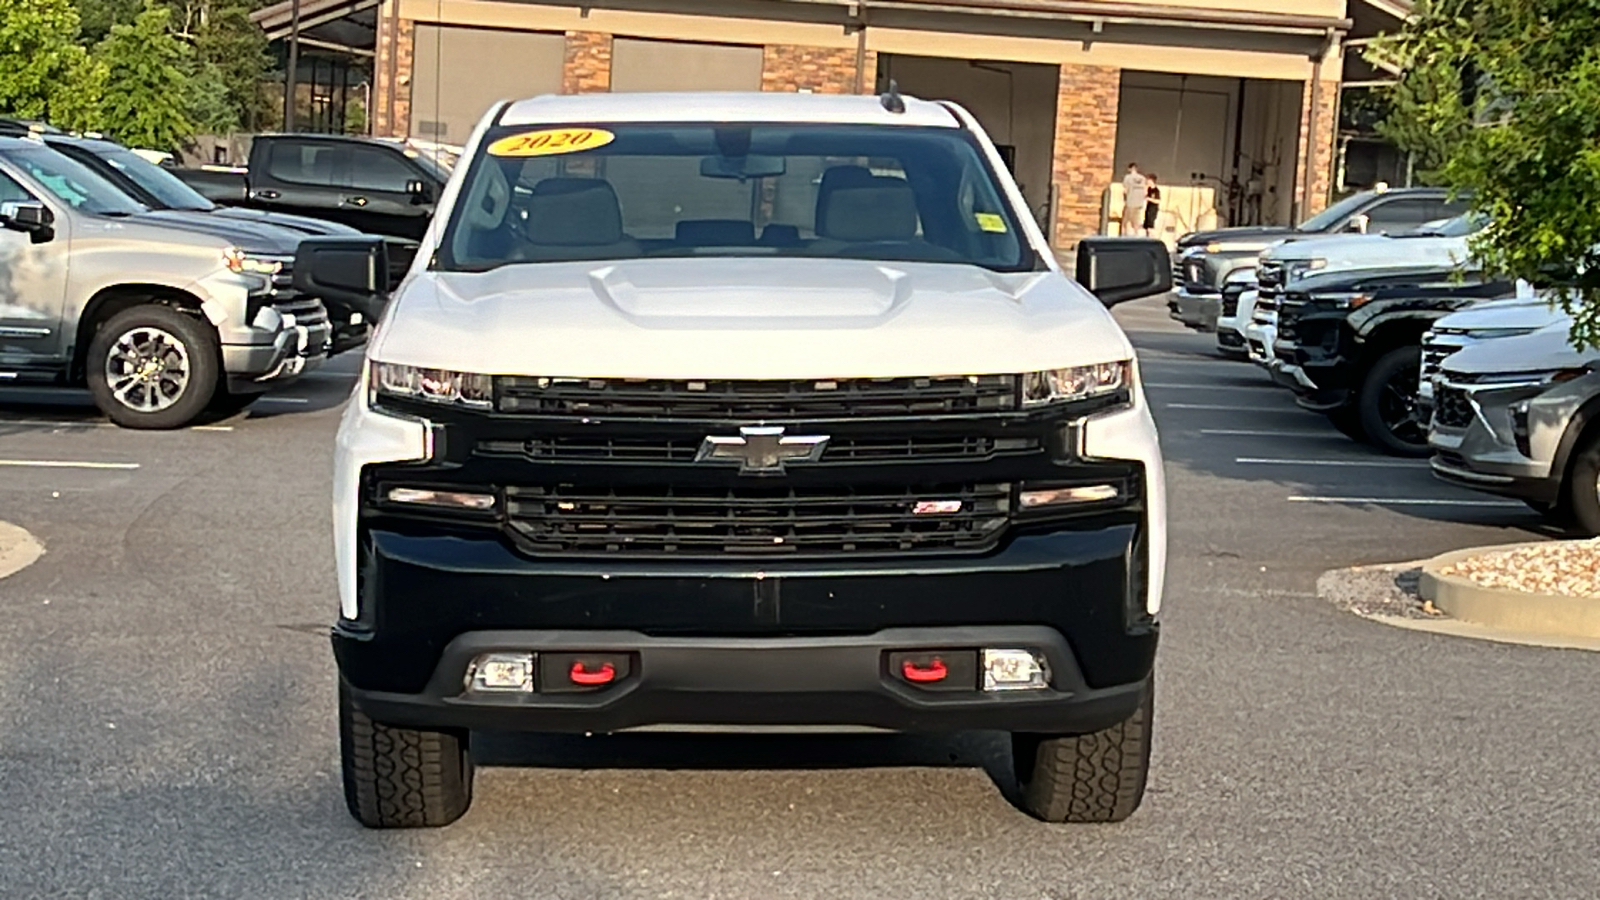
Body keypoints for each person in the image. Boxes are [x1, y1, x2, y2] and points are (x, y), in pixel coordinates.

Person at [1121, 163, 1148, 236]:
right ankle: (1136, 237)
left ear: (1130, 169)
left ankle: (1122, 237)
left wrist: (1124, 199)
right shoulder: (1143, 178)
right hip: (1139, 204)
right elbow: (1145, 191)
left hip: (1130, 203)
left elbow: (1125, 190)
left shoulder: (1128, 178)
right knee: (1136, 223)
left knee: (1124, 223)